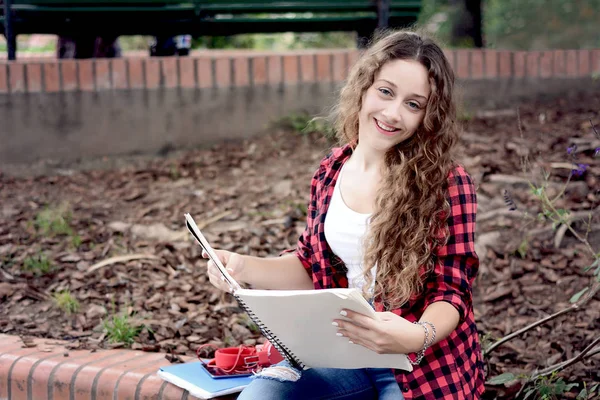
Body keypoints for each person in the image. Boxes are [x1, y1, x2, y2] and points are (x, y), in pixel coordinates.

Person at [204, 28, 485, 400]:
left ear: (428, 116)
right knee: (263, 396)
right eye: (385, 92)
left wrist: (416, 335)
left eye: (413, 104)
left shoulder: (447, 183)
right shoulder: (332, 168)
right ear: (365, 88)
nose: (392, 113)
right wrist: (240, 266)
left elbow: (452, 291)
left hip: (417, 365)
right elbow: (310, 265)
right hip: (340, 352)